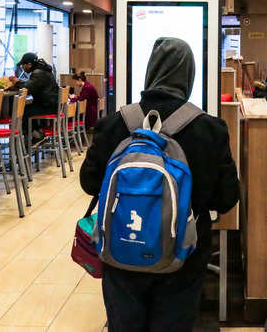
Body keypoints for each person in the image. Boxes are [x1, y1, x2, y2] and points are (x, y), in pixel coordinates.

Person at [80, 37, 240, 332]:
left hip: (122, 246)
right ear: (188, 75)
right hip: (183, 254)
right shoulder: (209, 128)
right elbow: (227, 197)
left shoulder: (116, 123)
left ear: (151, 71)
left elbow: (89, 182)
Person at [8, 52, 59, 141]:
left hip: (47, 107)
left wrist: (17, 82)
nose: (23, 68)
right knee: (27, 108)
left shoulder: (38, 73)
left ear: (29, 64)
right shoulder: (43, 70)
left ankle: (33, 136)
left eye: (23, 65)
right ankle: (36, 133)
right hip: (51, 105)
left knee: (22, 110)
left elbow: (28, 88)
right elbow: (31, 85)